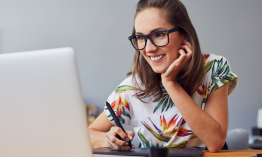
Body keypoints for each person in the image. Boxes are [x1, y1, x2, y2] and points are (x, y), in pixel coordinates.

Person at [88, 0, 238, 153]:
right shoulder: (133, 87)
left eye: (159, 34)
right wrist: (109, 139)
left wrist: (170, 83)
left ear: (184, 35)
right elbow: (88, 134)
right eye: (140, 38)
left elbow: (215, 142)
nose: (149, 49)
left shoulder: (213, 68)